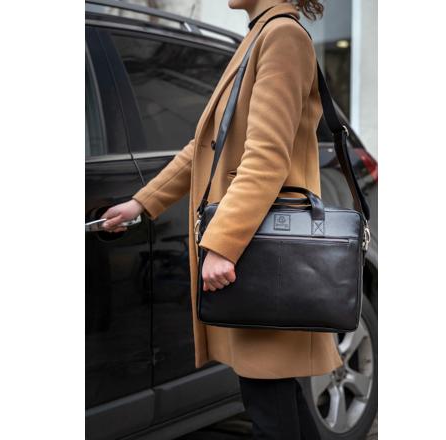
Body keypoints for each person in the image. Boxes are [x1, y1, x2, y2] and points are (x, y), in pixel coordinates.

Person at [101, 1, 343, 438]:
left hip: (263, 251)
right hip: (260, 247)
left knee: (269, 403)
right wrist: (142, 202)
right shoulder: (261, 34)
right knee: (276, 397)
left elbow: (266, 159)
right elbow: (206, 146)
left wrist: (222, 245)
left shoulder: (282, 37)